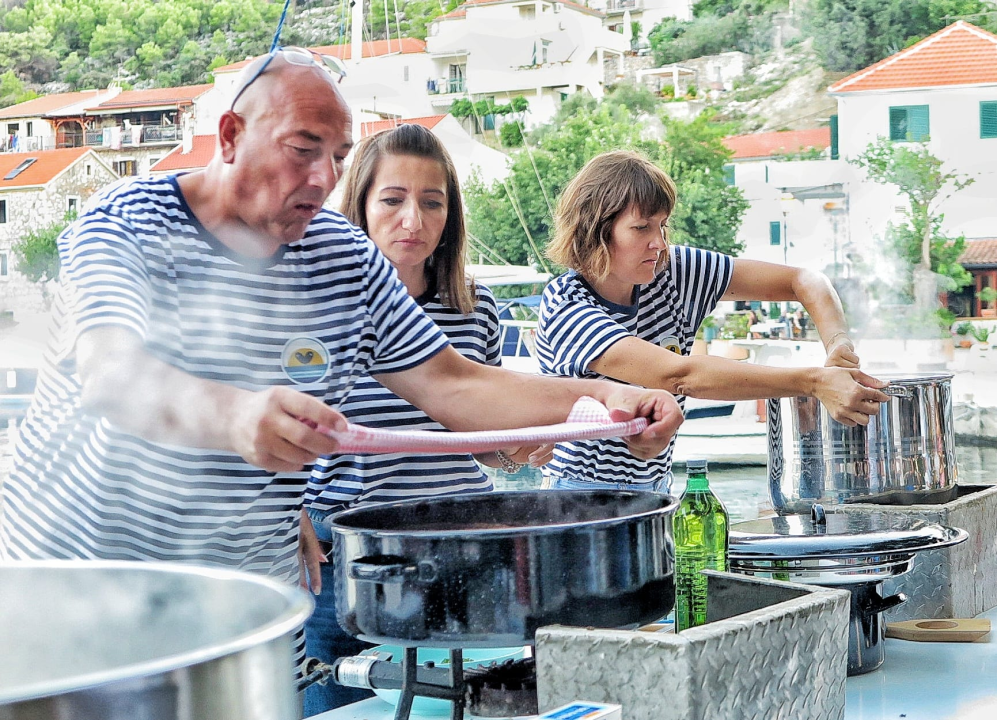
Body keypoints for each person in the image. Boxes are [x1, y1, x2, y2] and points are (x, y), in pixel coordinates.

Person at [0, 56, 683, 580]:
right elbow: (112, 373)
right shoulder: (123, 222)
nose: (325, 179)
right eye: (303, 150)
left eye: (337, 157)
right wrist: (235, 416)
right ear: (231, 135)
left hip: (247, 591)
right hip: (80, 578)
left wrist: (605, 395)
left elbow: (454, 384)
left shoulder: (343, 255)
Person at [300, 123, 549, 713]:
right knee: (332, 701)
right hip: (346, 557)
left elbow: (477, 437)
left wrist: (517, 449)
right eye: (393, 199)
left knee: (461, 706)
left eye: (431, 202)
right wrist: (288, 514)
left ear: (450, 214)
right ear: (359, 205)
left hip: (462, 552)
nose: (412, 219)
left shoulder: (476, 306)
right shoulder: (321, 302)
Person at [535, 150, 889, 491]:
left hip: (655, 487)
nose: (658, 243)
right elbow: (678, 376)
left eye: (663, 226)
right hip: (579, 492)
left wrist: (839, 345)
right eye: (641, 228)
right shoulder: (567, 304)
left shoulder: (672, 271)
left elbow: (805, 280)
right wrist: (814, 382)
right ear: (596, 230)